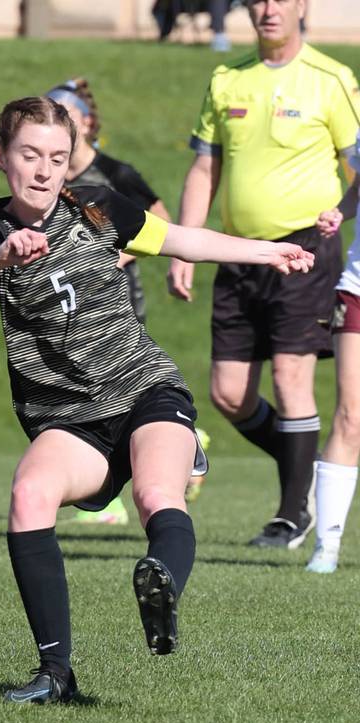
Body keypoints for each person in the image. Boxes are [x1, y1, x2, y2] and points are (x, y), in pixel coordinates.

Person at [0, 96, 313, 703]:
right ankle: (54, 675)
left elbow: (181, 241)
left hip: (144, 389)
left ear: (71, 162)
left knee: (156, 495)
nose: (44, 170)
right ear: (1, 156)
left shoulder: (96, 206)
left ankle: (161, 585)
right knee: (29, 494)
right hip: (68, 417)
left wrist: (266, 251)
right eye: (30, 154)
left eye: (58, 157)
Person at [167, 0, 360, 549]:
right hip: (237, 251)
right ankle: (308, 468)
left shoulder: (332, 79)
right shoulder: (227, 78)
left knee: (291, 379)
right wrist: (184, 245)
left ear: (303, 6)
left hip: (306, 248)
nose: (269, 9)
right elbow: (205, 167)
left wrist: (343, 217)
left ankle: (290, 515)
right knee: (228, 393)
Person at [46, 76, 176, 524]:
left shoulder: (114, 174)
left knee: (114, 388)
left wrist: (120, 252)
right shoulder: (51, 178)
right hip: (67, 306)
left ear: (85, 122)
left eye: (64, 117)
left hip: (117, 301)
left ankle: (117, 489)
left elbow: (160, 221)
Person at [306, 142, 360, 573]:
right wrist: (342, 210)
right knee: (350, 416)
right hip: (357, 290)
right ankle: (326, 547)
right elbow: (358, 187)